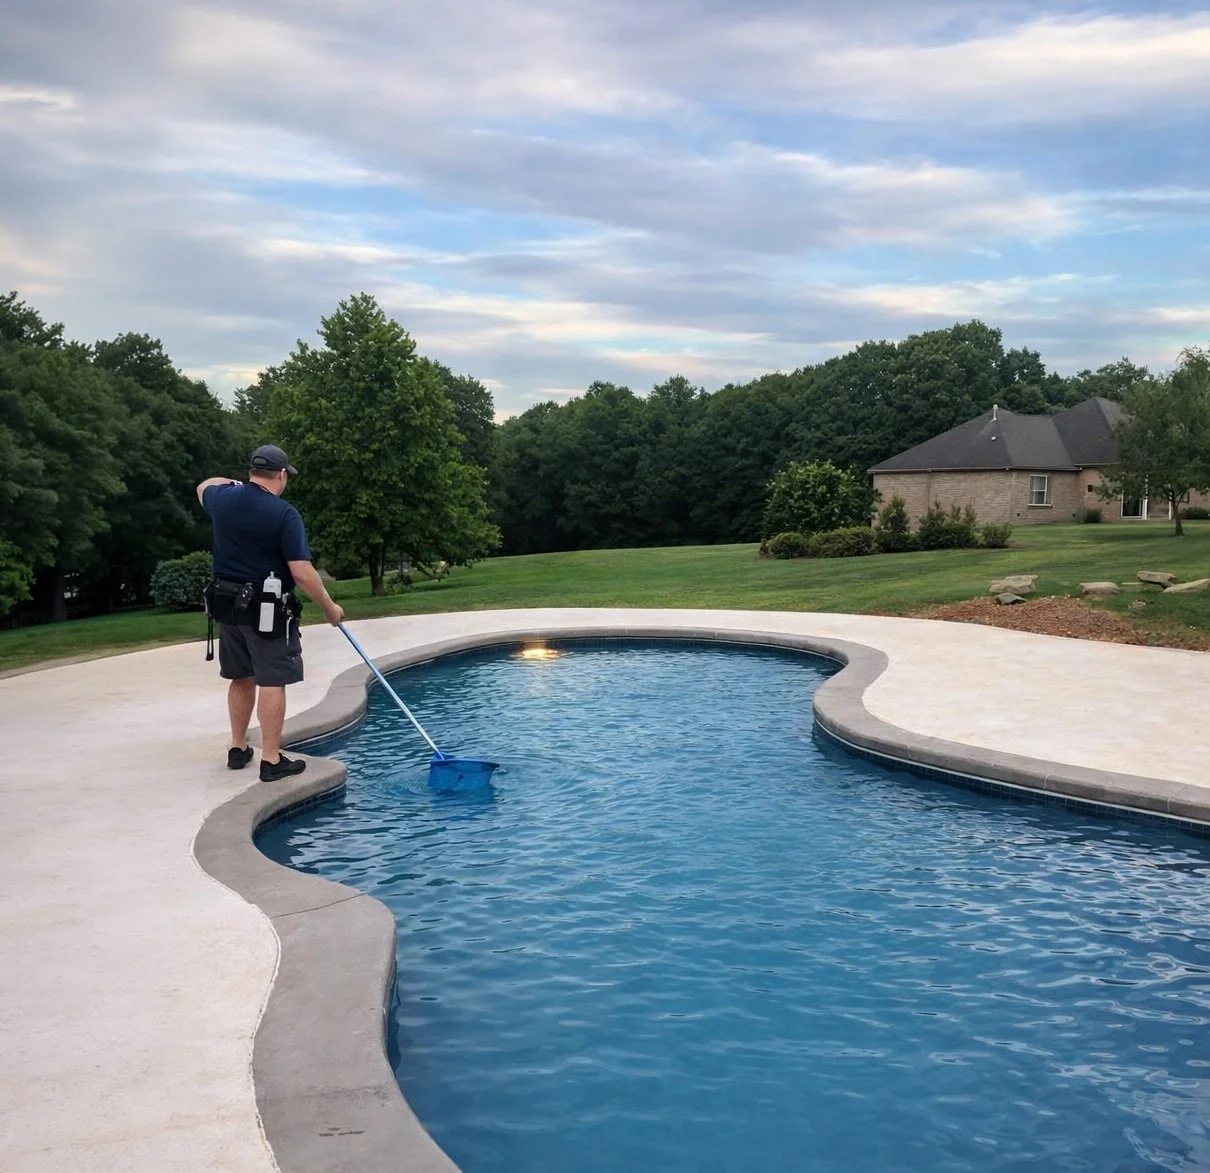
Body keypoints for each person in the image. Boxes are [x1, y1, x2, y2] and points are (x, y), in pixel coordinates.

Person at [196, 444, 344, 781]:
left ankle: (238, 747)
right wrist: (330, 608)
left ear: (252, 472)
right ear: (281, 474)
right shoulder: (283, 514)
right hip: (267, 612)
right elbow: (302, 573)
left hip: (228, 606)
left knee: (240, 676)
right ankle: (272, 760)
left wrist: (237, 484)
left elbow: (203, 485)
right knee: (273, 680)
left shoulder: (222, 500)